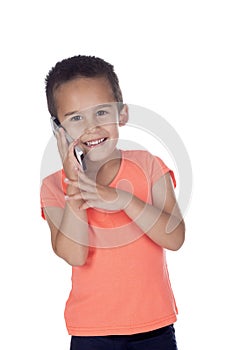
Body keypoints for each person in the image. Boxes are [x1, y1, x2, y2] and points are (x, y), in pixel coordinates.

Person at [40, 55, 185, 350]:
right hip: (91, 331)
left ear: (123, 113)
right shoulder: (55, 186)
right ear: (59, 130)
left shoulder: (149, 166)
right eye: (76, 118)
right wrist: (74, 184)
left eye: (101, 113)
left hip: (154, 326)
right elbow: (74, 255)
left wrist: (123, 199)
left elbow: (176, 238)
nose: (91, 127)